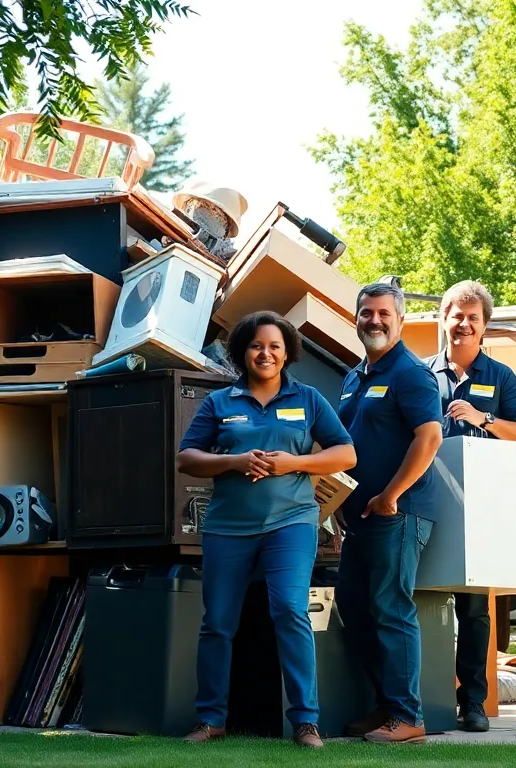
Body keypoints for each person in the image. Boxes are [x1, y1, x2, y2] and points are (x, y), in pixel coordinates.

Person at [177, 311, 357, 749]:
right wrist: (235, 462)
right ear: (243, 351)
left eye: (275, 346)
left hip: (291, 523)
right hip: (228, 527)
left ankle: (305, 722)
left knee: (289, 612)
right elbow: (186, 458)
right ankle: (211, 720)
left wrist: (293, 462)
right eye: (257, 345)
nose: (266, 353)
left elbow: (346, 454)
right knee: (218, 623)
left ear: (287, 352)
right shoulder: (220, 402)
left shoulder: (309, 398)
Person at [423, 280, 516, 732]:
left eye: (473, 318)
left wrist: (482, 418)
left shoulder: (501, 377)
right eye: (456, 316)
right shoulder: (421, 373)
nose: (463, 325)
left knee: (473, 609)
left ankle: (471, 702)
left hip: (479, 509)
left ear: (484, 327)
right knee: (423, 601)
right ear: (443, 320)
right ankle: (424, 699)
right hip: (427, 499)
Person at [336, 283, 444, 745]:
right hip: (360, 516)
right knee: (353, 605)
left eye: (383, 313)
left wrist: (391, 494)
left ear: (399, 320)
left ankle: (408, 715)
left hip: (400, 512)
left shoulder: (410, 373)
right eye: (366, 313)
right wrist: (339, 501)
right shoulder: (354, 375)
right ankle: (386, 705)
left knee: (390, 608)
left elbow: (429, 438)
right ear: (356, 318)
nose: (374, 321)